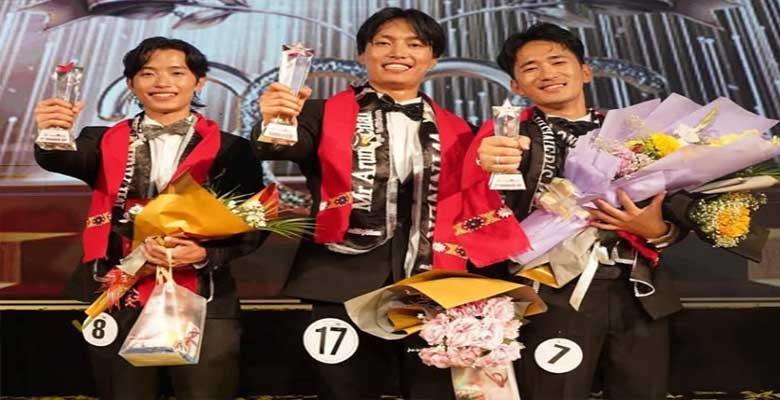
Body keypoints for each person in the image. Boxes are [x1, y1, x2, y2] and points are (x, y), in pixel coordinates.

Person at [251, 8, 473, 399]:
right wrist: (275, 120)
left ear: (433, 58)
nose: (398, 52)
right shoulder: (320, 112)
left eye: (414, 44)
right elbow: (278, 146)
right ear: (363, 54)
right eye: (384, 42)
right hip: (339, 279)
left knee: (430, 391)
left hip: (430, 283)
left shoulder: (458, 129)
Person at [457, 23, 684, 400]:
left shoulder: (635, 135)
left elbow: (678, 209)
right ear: (516, 86)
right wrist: (486, 166)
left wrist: (657, 230)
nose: (547, 73)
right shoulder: (504, 137)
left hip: (638, 291)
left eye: (558, 61)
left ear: (586, 71)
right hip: (550, 293)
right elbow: (477, 209)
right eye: (530, 68)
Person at [34, 37, 264, 400]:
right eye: (147, 73)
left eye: (177, 73)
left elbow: (254, 220)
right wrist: (52, 133)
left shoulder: (233, 149)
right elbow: (59, 158)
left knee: (206, 392)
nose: (162, 82)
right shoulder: (100, 140)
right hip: (117, 288)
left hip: (204, 293)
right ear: (130, 83)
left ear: (199, 81)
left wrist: (205, 254)